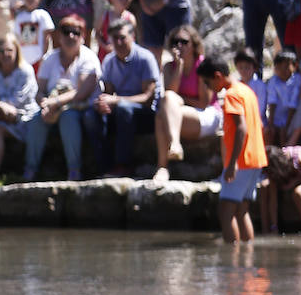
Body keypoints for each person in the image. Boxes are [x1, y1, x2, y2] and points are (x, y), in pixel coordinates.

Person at [21, 14, 100, 181]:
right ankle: (30, 170)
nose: (70, 36)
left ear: (83, 36)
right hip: (51, 109)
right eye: (66, 31)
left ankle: (74, 170)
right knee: (36, 120)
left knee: (68, 117)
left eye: (76, 32)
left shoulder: (88, 58)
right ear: (59, 35)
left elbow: (81, 92)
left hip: (81, 109)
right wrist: (45, 105)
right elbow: (40, 90)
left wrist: (54, 103)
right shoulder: (50, 59)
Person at [198, 56, 267, 243]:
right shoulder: (246, 90)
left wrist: (232, 163)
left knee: (225, 211)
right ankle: (247, 258)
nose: (207, 86)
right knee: (241, 211)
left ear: (218, 76)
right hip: (256, 159)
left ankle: (233, 265)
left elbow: (241, 128)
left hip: (241, 161)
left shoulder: (231, 94)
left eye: (207, 81)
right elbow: (259, 125)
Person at [85, 14, 160, 176]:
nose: (118, 43)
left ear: (132, 37)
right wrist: (103, 104)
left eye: (122, 38)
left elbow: (148, 98)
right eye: (114, 39)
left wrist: (117, 100)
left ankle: (123, 164)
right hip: (121, 112)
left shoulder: (145, 58)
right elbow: (108, 93)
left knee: (124, 109)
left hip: (145, 114)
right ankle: (102, 165)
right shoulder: (110, 61)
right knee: (91, 115)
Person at [151, 24, 222, 181]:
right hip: (181, 113)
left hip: (206, 113)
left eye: (184, 42)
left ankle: (167, 158)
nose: (179, 46)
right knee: (163, 109)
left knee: (164, 111)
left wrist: (181, 100)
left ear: (194, 44)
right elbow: (170, 93)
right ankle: (165, 164)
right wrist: (180, 68)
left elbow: (204, 102)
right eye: (175, 42)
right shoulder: (170, 67)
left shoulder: (202, 65)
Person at [0, 32, 38, 183]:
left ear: (16, 51)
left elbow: (19, 100)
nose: (5, 55)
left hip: (23, 118)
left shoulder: (24, 71)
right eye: (1, 51)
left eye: (9, 50)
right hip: (0, 116)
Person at [262, 143, 301, 235]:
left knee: (298, 193)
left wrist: (295, 182)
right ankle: (267, 229)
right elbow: (273, 201)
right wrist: (274, 226)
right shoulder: (274, 166)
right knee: (264, 186)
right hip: (298, 176)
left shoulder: (299, 160)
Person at [266, 49, 301, 147]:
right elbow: (272, 102)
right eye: (278, 68)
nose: (282, 71)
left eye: (286, 67)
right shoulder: (273, 80)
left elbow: (293, 104)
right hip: (277, 117)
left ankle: (284, 156)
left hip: (293, 117)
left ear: (295, 66)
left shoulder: (297, 79)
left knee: (283, 133)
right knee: (270, 132)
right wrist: (271, 123)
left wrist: (287, 125)